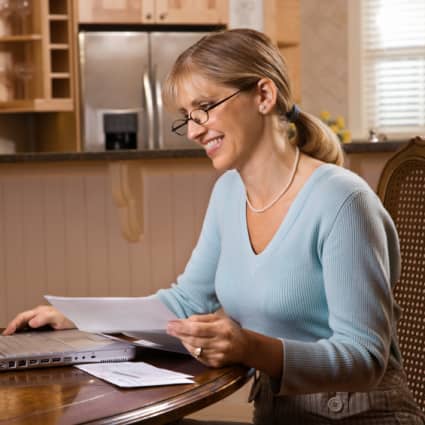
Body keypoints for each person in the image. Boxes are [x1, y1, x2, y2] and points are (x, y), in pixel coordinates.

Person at [3, 29, 424, 425]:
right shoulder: (228, 193)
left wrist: (251, 347)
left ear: (263, 94)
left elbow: (366, 358)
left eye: (204, 108)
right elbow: (186, 301)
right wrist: (78, 317)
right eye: (185, 116)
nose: (192, 130)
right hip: (279, 414)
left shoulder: (341, 200)